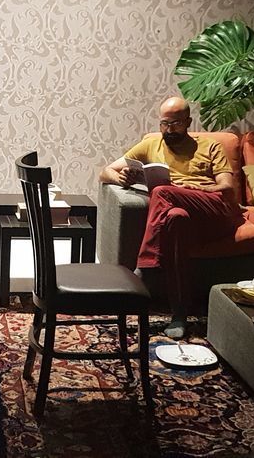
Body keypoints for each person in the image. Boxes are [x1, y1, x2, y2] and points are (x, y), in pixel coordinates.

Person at [98, 96, 242, 339]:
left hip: (213, 212)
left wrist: (191, 190)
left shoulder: (209, 146)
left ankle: (145, 266)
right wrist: (118, 178)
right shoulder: (151, 145)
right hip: (182, 216)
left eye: (175, 124)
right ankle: (179, 315)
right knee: (175, 218)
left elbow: (227, 188)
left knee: (163, 192)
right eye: (164, 124)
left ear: (188, 122)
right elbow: (105, 171)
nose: (169, 129)